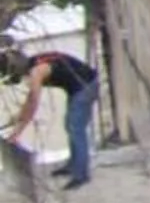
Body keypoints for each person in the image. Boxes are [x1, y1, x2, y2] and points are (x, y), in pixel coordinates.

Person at [0, 48, 97, 187]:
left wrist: (17, 132)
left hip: (86, 86)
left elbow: (33, 103)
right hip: (77, 86)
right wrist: (18, 117)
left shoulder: (37, 71)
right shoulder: (34, 63)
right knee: (71, 125)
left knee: (75, 127)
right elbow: (30, 100)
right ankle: (73, 165)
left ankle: (81, 175)